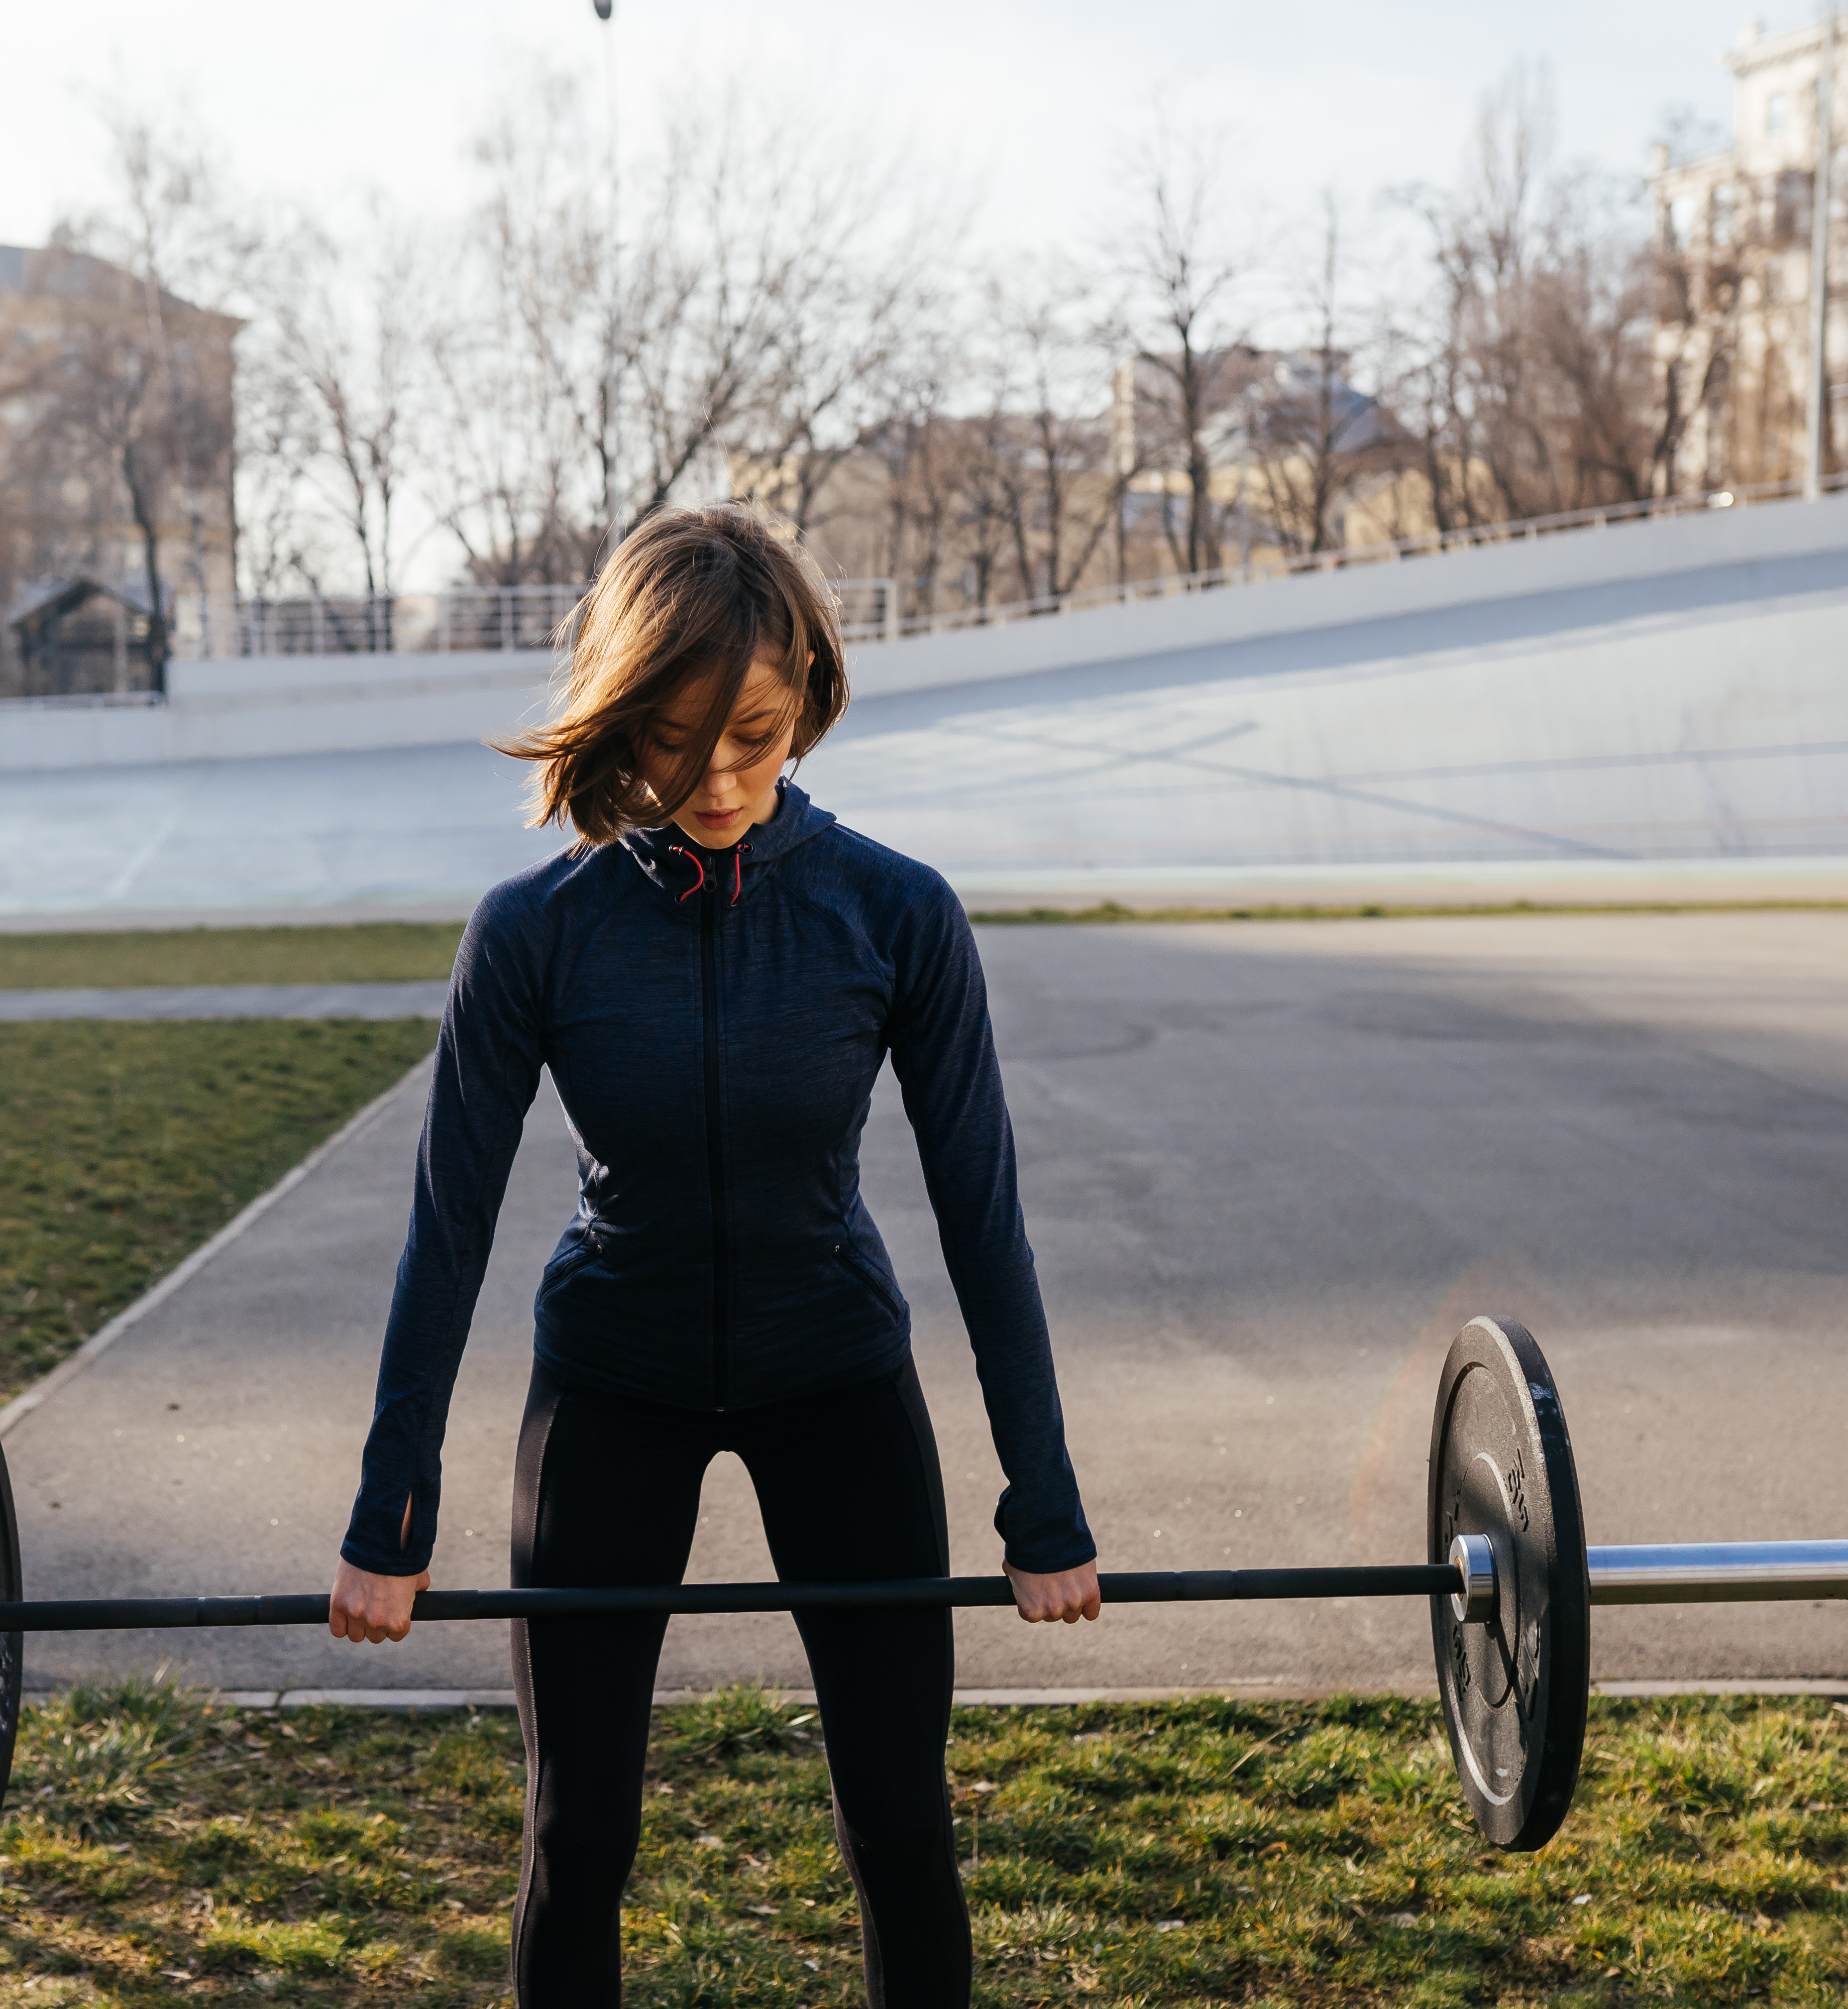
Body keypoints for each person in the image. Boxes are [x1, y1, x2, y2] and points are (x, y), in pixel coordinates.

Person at [327, 504, 1101, 2007]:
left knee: (899, 1827)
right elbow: (449, 1224)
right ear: (622, 725)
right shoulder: (534, 934)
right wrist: (389, 1505)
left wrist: (1045, 1491)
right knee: (578, 1835)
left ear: (807, 684)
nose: (723, 782)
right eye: (679, 747)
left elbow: (982, 1215)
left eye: (754, 733)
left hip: (839, 1377)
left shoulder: (899, 914)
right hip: (616, 1382)